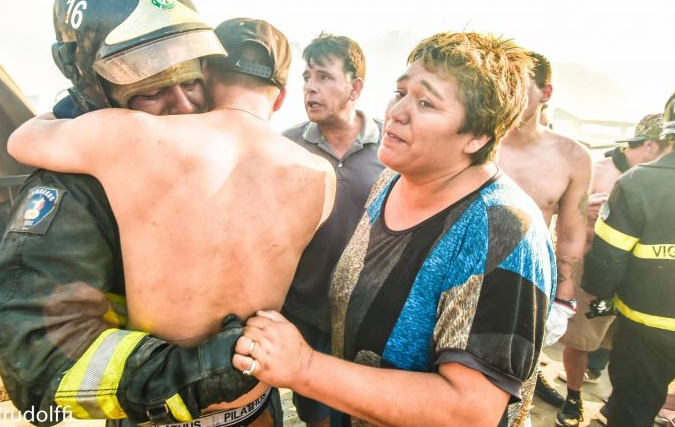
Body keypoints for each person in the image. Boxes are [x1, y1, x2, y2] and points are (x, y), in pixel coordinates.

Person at [6, 17, 336, 425]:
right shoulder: (321, 175)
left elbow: (21, 140)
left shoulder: (133, 137)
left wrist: (75, 110)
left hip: (163, 409)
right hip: (253, 404)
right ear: (282, 96)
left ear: (206, 73)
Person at [0, 0, 264, 427]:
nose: (181, 106)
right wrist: (193, 373)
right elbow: (41, 364)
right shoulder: (73, 188)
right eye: (150, 88)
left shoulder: (216, 149)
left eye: (192, 81)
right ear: (90, 83)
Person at [232, 32, 557, 426]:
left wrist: (303, 367)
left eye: (425, 103)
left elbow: (469, 412)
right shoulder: (392, 181)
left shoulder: (501, 228)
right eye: (400, 92)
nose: (397, 112)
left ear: (478, 136)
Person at [282, 33, 384, 427]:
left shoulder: (391, 147)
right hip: (305, 308)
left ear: (355, 86)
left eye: (324, 76)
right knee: (315, 412)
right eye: (307, 76)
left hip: (368, 312)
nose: (310, 87)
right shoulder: (286, 146)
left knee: (362, 411)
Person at [556, 113, 669, 426]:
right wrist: (584, 207)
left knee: (625, 351)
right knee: (580, 343)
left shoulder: (656, 181)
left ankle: (616, 403)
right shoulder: (597, 172)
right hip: (593, 276)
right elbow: (561, 217)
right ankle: (573, 398)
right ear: (649, 146)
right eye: (666, 147)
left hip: (640, 285)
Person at [497, 52, 592, 409]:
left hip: (528, 286)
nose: (506, 93)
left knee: (514, 394)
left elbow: (570, 233)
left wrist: (563, 301)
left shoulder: (572, 157)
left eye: (517, 86)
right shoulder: (474, 141)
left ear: (545, 93)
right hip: (463, 277)